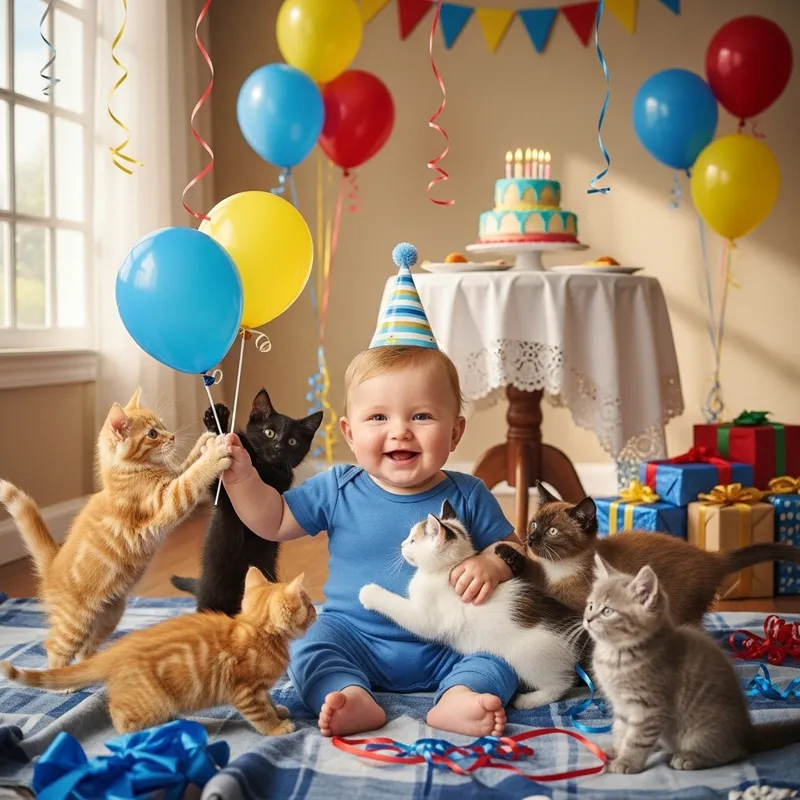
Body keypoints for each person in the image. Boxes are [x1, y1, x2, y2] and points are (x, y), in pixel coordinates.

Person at [214, 244, 519, 737]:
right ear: (350, 434)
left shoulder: (468, 492)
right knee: (309, 648)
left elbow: (516, 545)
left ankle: (460, 698)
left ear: (456, 432)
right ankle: (350, 694)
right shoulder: (340, 487)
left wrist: (495, 561)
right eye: (378, 418)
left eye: (421, 416)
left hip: (452, 639)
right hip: (355, 636)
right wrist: (244, 479)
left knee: (500, 655)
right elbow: (271, 520)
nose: (399, 431)